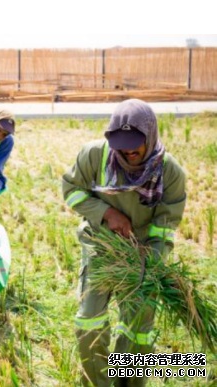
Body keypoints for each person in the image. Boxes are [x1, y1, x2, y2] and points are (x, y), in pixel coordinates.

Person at [62, 99, 186, 387]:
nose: (129, 154)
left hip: (144, 252)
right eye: (123, 148)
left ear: (151, 136)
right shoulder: (94, 155)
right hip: (101, 246)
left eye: (136, 148)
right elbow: (71, 190)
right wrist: (107, 213)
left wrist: (150, 257)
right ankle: (98, 383)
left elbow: (166, 226)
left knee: (138, 327)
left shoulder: (169, 172)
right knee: (89, 320)